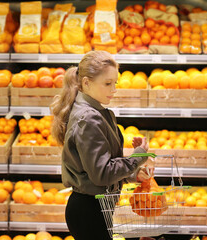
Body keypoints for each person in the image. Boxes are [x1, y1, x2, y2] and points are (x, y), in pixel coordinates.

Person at [50, 50, 153, 240]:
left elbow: (97, 167)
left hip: (94, 207)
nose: (113, 89)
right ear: (87, 83)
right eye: (107, 84)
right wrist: (137, 157)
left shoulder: (94, 112)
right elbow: (101, 174)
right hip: (89, 210)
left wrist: (131, 174)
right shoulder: (89, 118)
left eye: (115, 83)